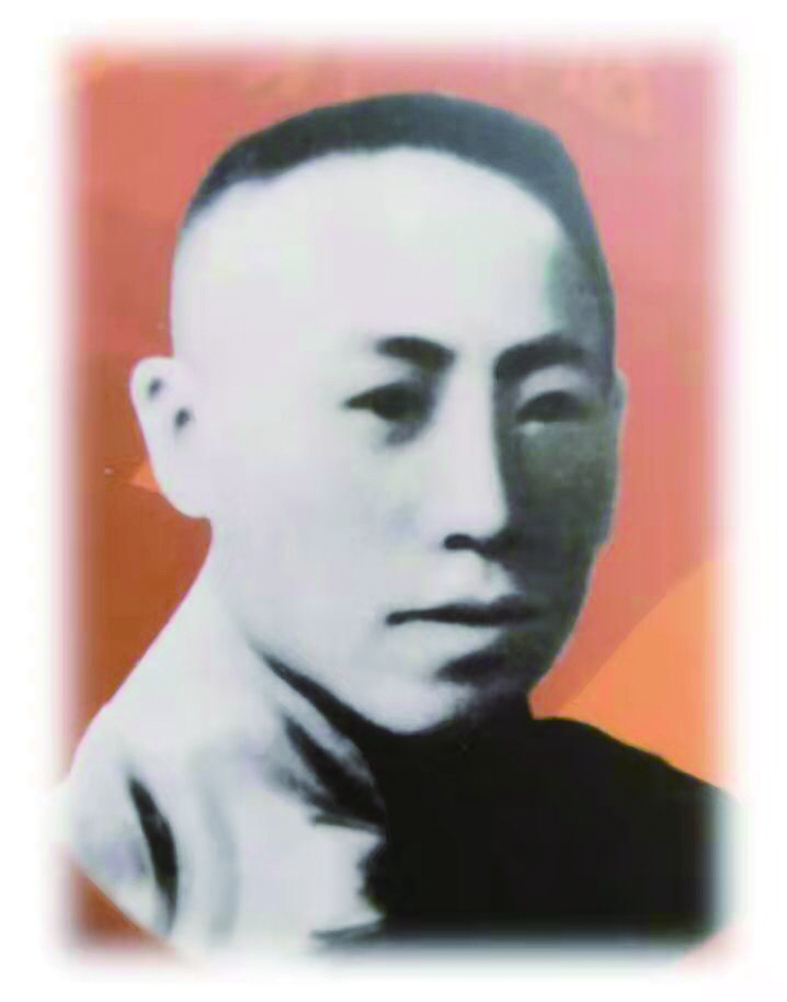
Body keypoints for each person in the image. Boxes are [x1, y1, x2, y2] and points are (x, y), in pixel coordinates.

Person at [62, 92, 723, 953]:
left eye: (547, 406)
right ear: (184, 435)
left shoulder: (688, 857)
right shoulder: (78, 900)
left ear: (615, 427)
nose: (485, 507)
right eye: (387, 402)